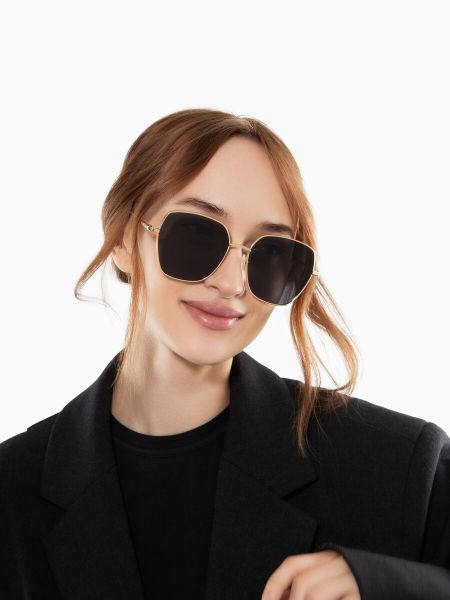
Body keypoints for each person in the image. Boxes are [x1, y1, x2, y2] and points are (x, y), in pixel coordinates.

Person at [0, 108, 448, 600]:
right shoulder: (12, 489)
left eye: (270, 252)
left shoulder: (397, 465)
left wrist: (389, 586)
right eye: (198, 233)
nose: (233, 284)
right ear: (124, 239)